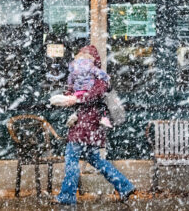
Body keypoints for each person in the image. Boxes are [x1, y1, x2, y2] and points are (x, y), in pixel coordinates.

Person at [52, 45, 136, 205]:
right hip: (89, 125)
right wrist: (68, 96)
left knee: (71, 157)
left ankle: (67, 196)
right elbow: (74, 91)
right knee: (96, 159)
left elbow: (94, 95)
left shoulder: (100, 78)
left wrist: (76, 99)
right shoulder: (83, 76)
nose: (81, 61)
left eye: (84, 58)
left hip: (87, 124)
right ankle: (124, 186)